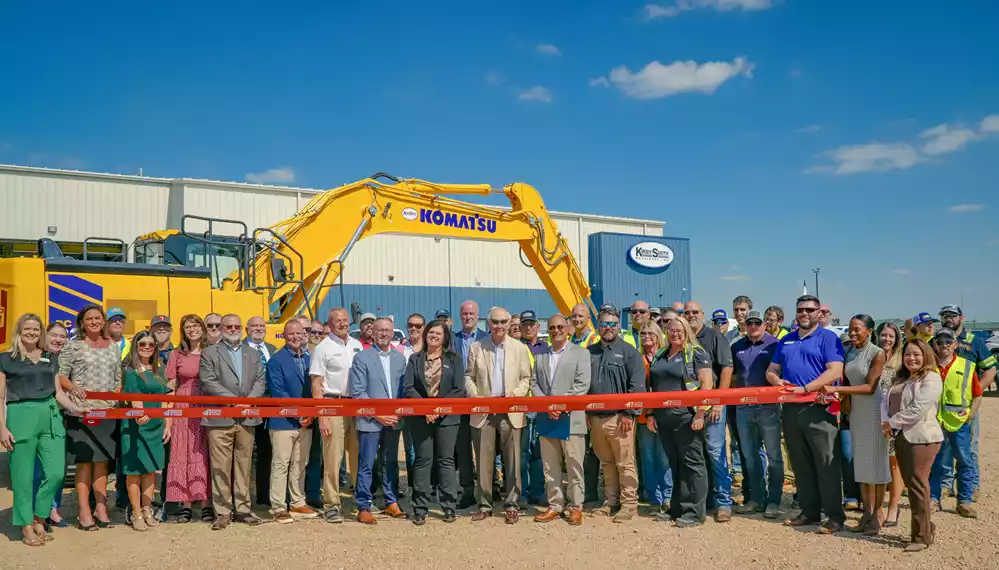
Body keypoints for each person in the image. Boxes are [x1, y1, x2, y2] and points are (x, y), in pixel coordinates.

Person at [766, 295, 846, 533]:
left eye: (810, 309)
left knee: (826, 464)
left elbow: (835, 371)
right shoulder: (786, 340)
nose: (804, 313)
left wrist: (807, 388)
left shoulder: (828, 338)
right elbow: (772, 369)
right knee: (801, 464)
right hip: (791, 409)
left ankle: (834, 516)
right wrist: (775, 380)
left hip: (819, 409)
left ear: (819, 313)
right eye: (801, 309)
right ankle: (809, 512)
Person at [1, 314, 82, 546]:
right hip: (20, 414)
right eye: (27, 328)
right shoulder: (6, 359)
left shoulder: (50, 357)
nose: (32, 333)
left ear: (41, 333)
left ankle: (40, 518)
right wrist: (2, 428)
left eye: (36, 329)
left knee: (56, 472)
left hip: (50, 414)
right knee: (22, 476)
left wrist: (77, 408)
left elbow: (58, 393)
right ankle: (26, 526)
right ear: (19, 330)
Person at [820, 315, 888, 535]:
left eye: (857, 329)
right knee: (862, 464)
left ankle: (877, 514)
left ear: (869, 330)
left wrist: (836, 391)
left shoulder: (877, 353)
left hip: (873, 410)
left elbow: (870, 387)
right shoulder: (849, 351)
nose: (852, 333)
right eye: (850, 329)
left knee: (876, 465)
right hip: (856, 412)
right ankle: (867, 512)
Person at [57, 304, 123, 531]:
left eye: (98, 318)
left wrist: (117, 393)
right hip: (81, 411)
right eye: (89, 319)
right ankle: (84, 511)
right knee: (84, 462)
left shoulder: (114, 347)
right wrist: (73, 387)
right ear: (82, 323)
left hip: (107, 412)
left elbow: (117, 378)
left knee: (102, 461)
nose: (94, 322)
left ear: (104, 321)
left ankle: (101, 508)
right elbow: (61, 376)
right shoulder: (73, 347)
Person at [464, 307, 533, 524]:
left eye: (504, 322)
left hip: (510, 412)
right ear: (488, 323)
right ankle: (485, 504)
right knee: (484, 462)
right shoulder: (477, 347)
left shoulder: (519, 348)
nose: (500, 326)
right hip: (484, 413)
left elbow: (526, 378)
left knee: (513, 461)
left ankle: (512, 504)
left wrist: (515, 396)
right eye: (495, 322)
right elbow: (468, 377)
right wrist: (478, 398)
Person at [199, 313, 267, 530]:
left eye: (236, 326)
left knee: (244, 465)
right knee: (220, 466)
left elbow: (260, 380)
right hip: (220, 417)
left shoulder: (252, 353)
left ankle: (244, 509)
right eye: (227, 326)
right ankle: (223, 511)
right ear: (221, 328)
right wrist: (234, 401)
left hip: (247, 417)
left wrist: (247, 402)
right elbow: (208, 381)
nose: (232, 329)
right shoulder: (209, 352)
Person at [646, 317, 711, 527]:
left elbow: (706, 384)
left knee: (693, 464)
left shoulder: (695, 353)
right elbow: (653, 387)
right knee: (675, 464)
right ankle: (678, 507)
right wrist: (651, 413)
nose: (675, 333)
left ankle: (695, 512)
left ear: (686, 331)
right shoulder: (661, 354)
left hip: (687, 417)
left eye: (679, 330)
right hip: (664, 418)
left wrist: (700, 414)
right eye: (671, 330)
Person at [882, 339, 943, 553]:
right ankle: (927, 527)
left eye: (916, 354)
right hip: (901, 437)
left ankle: (921, 537)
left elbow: (918, 409)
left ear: (925, 355)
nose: (911, 358)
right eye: (908, 354)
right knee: (913, 485)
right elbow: (886, 401)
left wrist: (892, 422)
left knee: (917, 486)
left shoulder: (932, 378)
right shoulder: (901, 377)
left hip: (922, 439)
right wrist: (885, 421)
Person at [531, 314, 592, 526]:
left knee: (574, 464)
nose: (556, 330)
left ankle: (576, 506)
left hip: (571, 418)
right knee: (550, 465)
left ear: (567, 328)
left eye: (560, 326)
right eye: (552, 327)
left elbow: (582, 385)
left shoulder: (581, 354)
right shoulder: (540, 356)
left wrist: (559, 405)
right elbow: (534, 383)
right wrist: (548, 405)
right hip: (547, 418)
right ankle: (555, 504)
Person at [587, 304, 644, 523]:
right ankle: (610, 501)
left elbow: (636, 385)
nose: (608, 327)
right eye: (604, 324)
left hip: (620, 418)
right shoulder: (590, 352)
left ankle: (629, 504)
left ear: (618, 325)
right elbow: (584, 385)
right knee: (607, 463)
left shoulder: (629, 352)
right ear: (599, 326)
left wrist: (630, 413)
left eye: (612, 323)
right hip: (595, 418)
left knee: (625, 462)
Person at [405, 320, 465, 525]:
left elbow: (459, 389)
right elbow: (409, 387)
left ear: (445, 337)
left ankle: (449, 506)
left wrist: (438, 410)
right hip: (421, 419)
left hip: (447, 418)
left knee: (446, 460)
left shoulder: (455, 359)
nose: (434, 336)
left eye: (438, 333)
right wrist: (426, 409)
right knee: (423, 461)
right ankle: (420, 507)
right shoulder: (415, 359)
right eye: (431, 332)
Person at [348, 317, 408, 524]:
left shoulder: (400, 359)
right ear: (373, 332)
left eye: (388, 330)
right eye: (380, 330)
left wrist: (398, 413)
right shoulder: (362, 358)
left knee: (390, 462)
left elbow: (402, 391)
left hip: (393, 420)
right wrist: (378, 414)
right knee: (367, 463)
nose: (384, 333)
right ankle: (363, 505)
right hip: (370, 420)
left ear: (393, 333)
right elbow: (358, 392)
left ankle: (391, 501)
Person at [310, 308, 363, 523]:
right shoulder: (323, 348)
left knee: (359, 456)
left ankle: (362, 501)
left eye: (345, 320)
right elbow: (316, 384)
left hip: (356, 406)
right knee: (333, 457)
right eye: (337, 321)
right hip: (333, 404)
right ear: (329, 324)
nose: (342, 324)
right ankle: (331, 503)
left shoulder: (357, 345)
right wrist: (322, 415)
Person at [937, 304, 996, 500]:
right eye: (944, 316)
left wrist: (973, 392)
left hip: (966, 406)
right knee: (943, 446)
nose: (948, 319)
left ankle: (972, 485)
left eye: (952, 315)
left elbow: (991, 370)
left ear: (961, 317)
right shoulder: (936, 341)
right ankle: (945, 485)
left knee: (969, 447)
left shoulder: (974, 341)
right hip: (941, 408)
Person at [684, 301, 734, 523]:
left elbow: (726, 368)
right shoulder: (682, 338)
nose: (691, 315)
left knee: (715, 452)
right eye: (687, 313)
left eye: (695, 312)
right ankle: (707, 500)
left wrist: (718, 402)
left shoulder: (714, 336)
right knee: (698, 455)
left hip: (712, 405)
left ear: (702, 315)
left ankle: (724, 502)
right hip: (690, 408)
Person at [731, 310, 784, 518]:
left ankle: (774, 500)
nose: (753, 326)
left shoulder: (774, 345)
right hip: (743, 407)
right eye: (750, 323)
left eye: (757, 323)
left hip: (768, 407)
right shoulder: (737, 346)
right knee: (750, 455)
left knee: (774, 456)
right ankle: (757, 499)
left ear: (765, 324)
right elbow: (733, 375)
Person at [264, 320, 317, 523]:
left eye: (299, 333)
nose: (296, 337)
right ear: (284, 336)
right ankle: (278, 506)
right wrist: (299, 414)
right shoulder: (276, 361)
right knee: (281, 464)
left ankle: (298, 502)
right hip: (283, 421)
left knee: (300, 464)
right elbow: (279, 392)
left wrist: (310, 414)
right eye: (291, 334)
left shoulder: (310, 359)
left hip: (306, 421)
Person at [120, 331, 172, 532]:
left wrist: (168, 425)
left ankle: (147, 509)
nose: (147, 347)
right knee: (134, 470)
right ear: (136, 346)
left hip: (155, 425)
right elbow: (134, 396)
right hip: (136, 425)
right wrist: (142, 414)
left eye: (151, 344)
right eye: (143, 344)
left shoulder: (159, 370)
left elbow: (166, 398)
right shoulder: (131, 371)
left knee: (150, 469)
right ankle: (136, 512)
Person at [164, 314, 213, 524]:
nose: (191, 329)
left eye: (195, 325)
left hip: (206, 404)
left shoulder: (211, 351)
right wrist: (167, 418)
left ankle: (205, 502)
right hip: (183, 405)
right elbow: (170, 387)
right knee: (182, 451)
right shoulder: (178, 353)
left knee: (204, 453)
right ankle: (184, 503)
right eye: (187, 327)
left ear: (202, 328)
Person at [928, 327, 982, 518]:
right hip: (934, 423)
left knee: (965, 461)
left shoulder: (967, 366)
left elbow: (977, 395)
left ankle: (964, 501)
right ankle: (933, 499)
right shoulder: (928, 367)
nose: (944, 345)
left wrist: (970, 416)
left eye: (948, 341)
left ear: (955, 344)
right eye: (940, 341)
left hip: (959, 424)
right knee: (934, 462)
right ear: (935, 344)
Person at [31, 322, 70, 531]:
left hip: (59, 416)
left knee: (57, 469)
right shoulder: (33, 356)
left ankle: (52, 510)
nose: (58, 339)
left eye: (62, 336)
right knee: (39, 471)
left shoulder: (59, 358)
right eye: (54, 335)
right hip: (36, 419)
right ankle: (38, 514)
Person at [635, 321, 672, 517]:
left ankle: (668, 496)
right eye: (643, 334)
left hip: (665, 416)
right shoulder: (637, 359)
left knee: (665, 458)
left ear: (658, 335)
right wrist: (648, 413)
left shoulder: (667, 357)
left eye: (650, 333)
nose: (646, 337)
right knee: (648, 458)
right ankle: (654, 499)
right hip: (643, 417)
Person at [452, 301, 487, 509]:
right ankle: (467, 490)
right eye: (464, 313)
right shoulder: (452, 340)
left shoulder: (486, 338)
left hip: (481, 400)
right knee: (463, 449)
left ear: (477, 315)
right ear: (460, 315)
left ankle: (487, 489)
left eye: (471, 313)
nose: (468, 316)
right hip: (458, 402)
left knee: (484, 447)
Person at [240, 315, 278, 508]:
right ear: (246, 329)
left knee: (266, 452)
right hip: (248, 406)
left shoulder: (271, 349)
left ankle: (264, 496)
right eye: (254, 325)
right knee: (244, 453)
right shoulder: (239, 349)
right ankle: (242, 497)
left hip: (270, 408)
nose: (258, 328)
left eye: (262, 325)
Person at [519, 309, 549, 506]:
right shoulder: (513, 347)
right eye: (525, 324)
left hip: (541, 406)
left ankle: (537, 491)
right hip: (520, 408)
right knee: (521, 453)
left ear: (538, 326)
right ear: (520, 327)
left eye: (532, 324)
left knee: (539, 452)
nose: (528, 327)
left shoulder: (546, 348)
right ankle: (521, 492)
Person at [876, 321, 905, 527]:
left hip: (893, 418)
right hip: (871, 417)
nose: (886, 339)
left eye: (891, 336)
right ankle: (876, 507)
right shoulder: (871, 356)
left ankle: (894, 507)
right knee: (878, 462)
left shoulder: (902, 360)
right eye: (884, 335)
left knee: (895, 463)